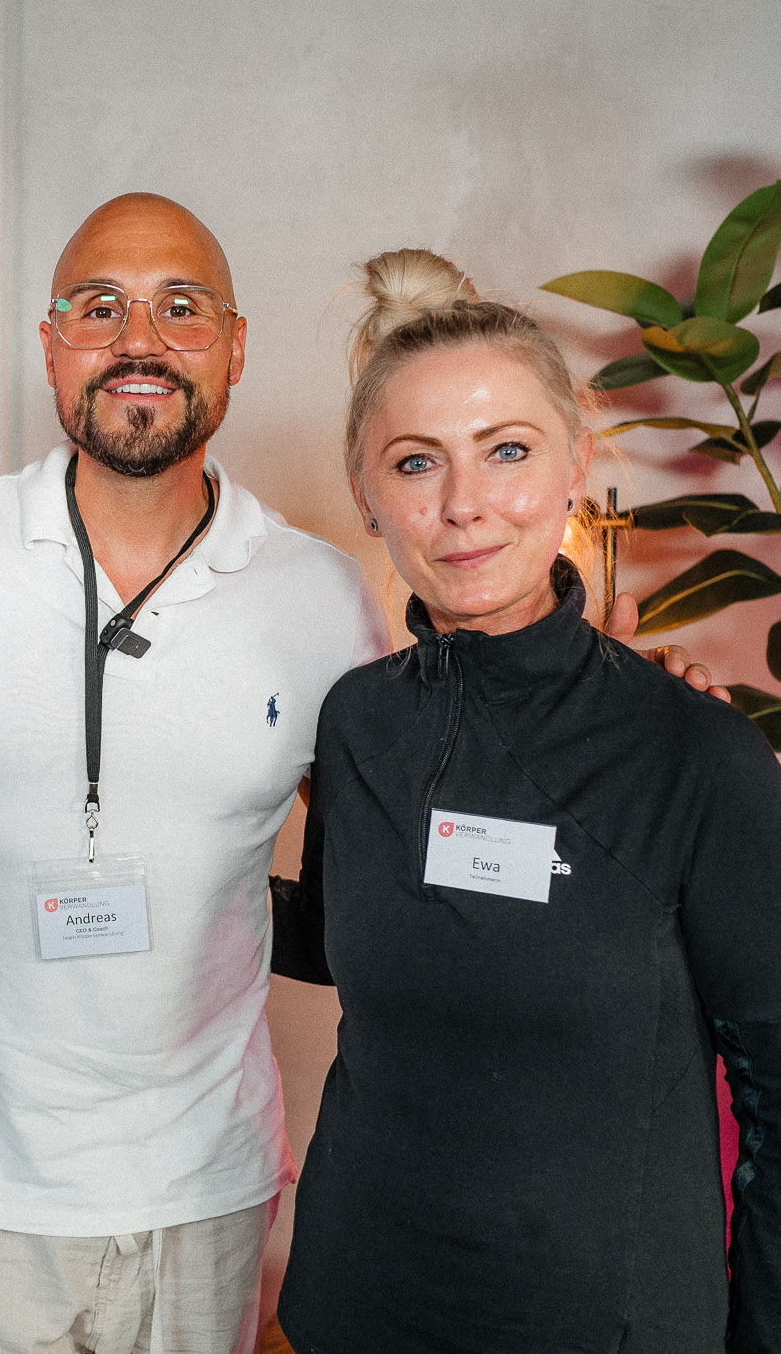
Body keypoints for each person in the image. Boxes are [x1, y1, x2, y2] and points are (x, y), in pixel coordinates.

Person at [0, 195, 721, 1353]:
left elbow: (412, 864)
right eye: (97, 308)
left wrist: (630, 730)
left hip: (207, 1185)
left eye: (181, 307)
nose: (137, 337)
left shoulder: (314, 598)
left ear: (236, 347)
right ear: (50, 344)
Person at [270, 249, 781, 1353]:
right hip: (355, 1303)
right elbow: (349, 933)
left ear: (573, 467)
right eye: (415, 463)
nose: (463, 507)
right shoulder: (356, 722)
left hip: (597, 1320)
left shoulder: (692, 752)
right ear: (365, 494)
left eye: (505, 451)